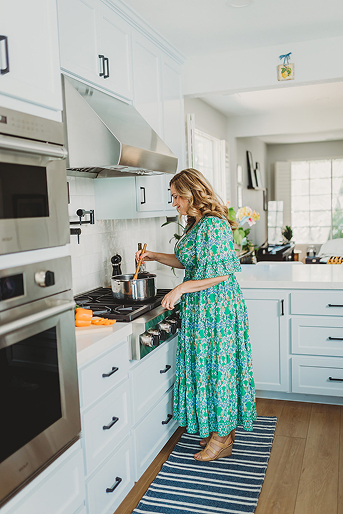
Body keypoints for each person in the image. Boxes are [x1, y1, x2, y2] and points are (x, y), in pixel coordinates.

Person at [136, 168, 256, 461]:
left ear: (194, 193)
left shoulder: (213, 225)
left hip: (217, 309)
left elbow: (221, 273)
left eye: (177, 196)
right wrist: (153, 256)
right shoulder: (196, 223)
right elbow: (187, 260)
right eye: (172, 196)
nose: (174, 202)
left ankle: (223, 436)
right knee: (211, 370)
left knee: (220, 372)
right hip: (202, 309)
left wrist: (181, 289)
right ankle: (220, 430)